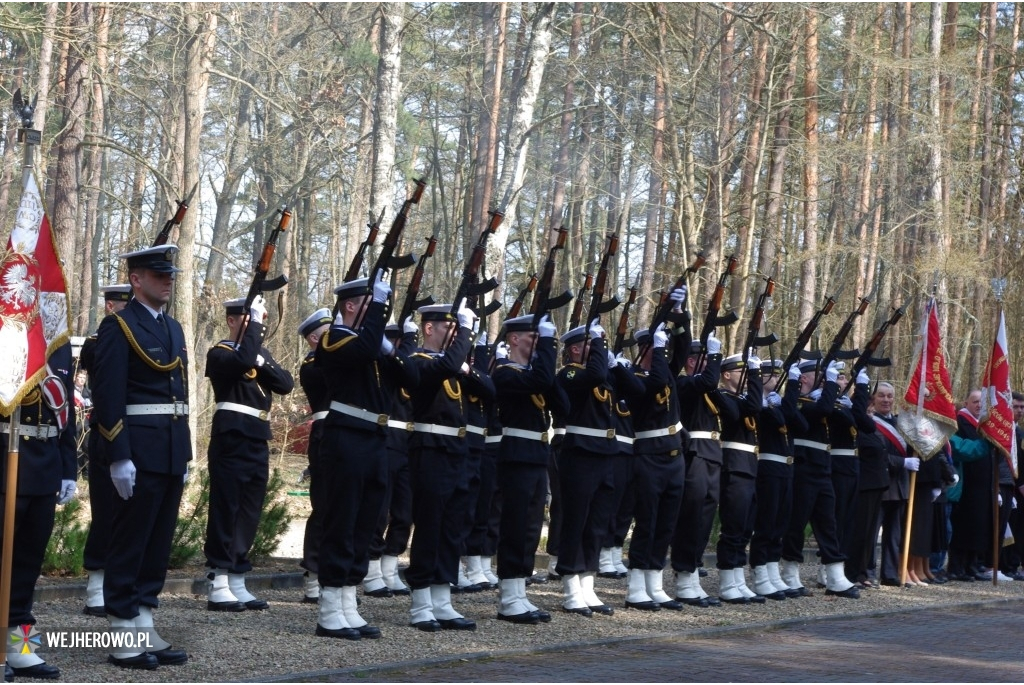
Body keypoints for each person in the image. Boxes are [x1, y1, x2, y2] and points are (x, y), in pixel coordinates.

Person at [91, 245, 191, 669]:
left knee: (156, 543)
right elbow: (109, 395)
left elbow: (177, 396)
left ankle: (145, 621)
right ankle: (121, 628)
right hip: (137, 450)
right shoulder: (118, 326)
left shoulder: (174, 328)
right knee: (129, 542)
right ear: (136, 279)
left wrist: (184, 455)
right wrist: (118, 455)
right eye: (157, 274)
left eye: (169, 273)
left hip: (168, 449)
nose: (167, 279)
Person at [314, 273, 416, 640]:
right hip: (346, 437)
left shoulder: (374, 345)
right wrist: (380, 311)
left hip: (376, 438)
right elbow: (363, 347)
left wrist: (394, 351)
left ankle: (348, 600)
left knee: (366, 521)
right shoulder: (334, 338)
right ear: (352, 306)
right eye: (371, 305)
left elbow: (413, 377)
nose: (378, 313)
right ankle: (329, 607)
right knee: (342, 520)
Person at [203, 296, 294, 611]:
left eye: (259, 319)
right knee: (226, 507)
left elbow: (285, 384)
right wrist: (252, 348)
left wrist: (262, 360)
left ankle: (237, 578)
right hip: (231, 435)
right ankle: (218, 580)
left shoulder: (257, 354)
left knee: (249, 510)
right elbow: (240, 362)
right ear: (232, 320)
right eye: (250, 318)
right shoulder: (220, 352)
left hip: (257, 436)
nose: (258, 323)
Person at [404, 301, 490, 632]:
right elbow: (446, 365)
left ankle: (442, 598)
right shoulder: (418, 361)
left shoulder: (453, 366)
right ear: (429, 328)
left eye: (458, 329)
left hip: (459, 450)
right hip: (429, 448)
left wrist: (470, 369)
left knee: (453, 527)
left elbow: (490, 390)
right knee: (430, 525)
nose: (455, 335)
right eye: (449, 328)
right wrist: (466, 332)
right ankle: (421, 601)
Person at [0, 343, 78, 679]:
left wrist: (68, 467)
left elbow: (66, 410)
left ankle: (21, 645)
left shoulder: (57, 345)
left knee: (28, 565)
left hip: (46, 463)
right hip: (6, 460)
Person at [491, 313, 567, 623]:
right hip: (516, 455)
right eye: (534, 337)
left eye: (541, 338)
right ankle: (508, 597)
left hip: (537, 454)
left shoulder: (536, 374)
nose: (539, 342)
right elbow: (539, 381)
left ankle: (520, 591)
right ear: (514, 339)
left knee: (532, 527)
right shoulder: (504, 372)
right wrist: (548, 346)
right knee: (516, 525)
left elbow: (563, 407)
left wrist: (546, 361)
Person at [554, 320, 621, 616]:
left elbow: (634, 387)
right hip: (579, 454)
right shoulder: (569, 373)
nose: (596, 350)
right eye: (591, 345)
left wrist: (615, 362)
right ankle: (570, 586)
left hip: (606, 454)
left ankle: (588, 586)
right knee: (576, 521)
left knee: (597, 525)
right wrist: (601, 342)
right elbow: (593, 374)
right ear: (575, 349)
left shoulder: (602, 374)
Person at [779, 358, 859, 599]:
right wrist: (832, 387)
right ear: (803, 378)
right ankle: (790, 572)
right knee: (797, 522)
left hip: (823, 468)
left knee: (828, 522)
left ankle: (835, 574)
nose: (825, 378)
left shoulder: (823, 401)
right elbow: (822, 410)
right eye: (819, 375)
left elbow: (852, 420)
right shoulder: (796, 403)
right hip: (803, 467)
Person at [622, 323, 686, 611]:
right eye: (658, 346)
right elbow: (658, 381)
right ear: (646, 348)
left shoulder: (667, 369)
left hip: (674, 458)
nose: (665, 350)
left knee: (666, 524)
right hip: (648, 456)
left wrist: (680, 318)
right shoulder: (633, 375)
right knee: (647, 522)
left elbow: (681, 354)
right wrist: (658, 348)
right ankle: (636, 587)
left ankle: (655, 584)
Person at [79, 282, 131, 617]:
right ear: (111, 307)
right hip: (107, 431)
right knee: (106, 511)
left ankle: (123, 583)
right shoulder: (98, 342)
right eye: (124, 306)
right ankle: (96, 584)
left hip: (139, 433)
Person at [362, 318, 417, 598]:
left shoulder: (405, 365)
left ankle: (390, 566)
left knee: (404, 513)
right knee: (379, 510)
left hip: (407, 444)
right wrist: (405, 343)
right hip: (384, 440)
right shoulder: (382, 364)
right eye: (395, 340)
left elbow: (410, 367)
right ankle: (371, 570)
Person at [670, 332, 724, 607]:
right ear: (691, 361)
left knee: (703, 519)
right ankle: (683, 578)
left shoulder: (707, 388)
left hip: (712, 454)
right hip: (694, 454)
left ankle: (692, 576)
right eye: (704, 359)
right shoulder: (684, 383)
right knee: (690, 519)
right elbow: (708, 380)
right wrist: (715, 356)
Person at [749, 360, 806, 599]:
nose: (775, 379)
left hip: (786, 468)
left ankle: (772, 569)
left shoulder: (778, 405)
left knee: (780, 523)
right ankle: (760, 571)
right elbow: (780, 421)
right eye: (770, 375)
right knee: (766, 521)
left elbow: (800, 424)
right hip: (768, 466)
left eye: (776, 375)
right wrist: (792, 385)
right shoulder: (758, 406)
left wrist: (783, 402)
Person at [715, 352, 764, 604]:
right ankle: (726, 582)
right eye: (741, 372)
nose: (745, 377)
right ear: (726, 374)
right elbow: (751, 408)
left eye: (748, 372)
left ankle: (738, 579)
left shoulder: (742, 398)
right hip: (733, 464)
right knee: (733, 527)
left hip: (749, 465)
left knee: (745, 529)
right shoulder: (723, 396)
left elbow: (755, 406)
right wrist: (756, 375)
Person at [296, 307, 333, 603]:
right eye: (326, 334)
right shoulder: (312, 365)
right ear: (313, 338)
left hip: (348, 433)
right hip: (326, 434)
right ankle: (313, 575)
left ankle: (332, 575)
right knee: (324, 506)